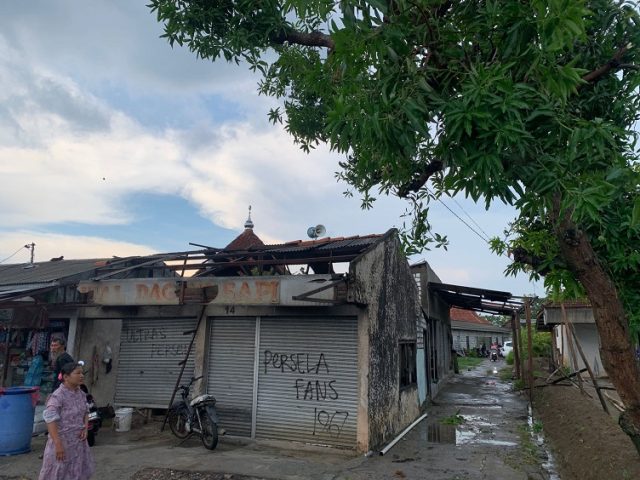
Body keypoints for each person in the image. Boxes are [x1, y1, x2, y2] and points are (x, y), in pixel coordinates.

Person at [38, 362, 95, 480]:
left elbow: (86, 412)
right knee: (58, 473)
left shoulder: (81, 394)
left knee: (77, 472)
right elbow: (50, 419)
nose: (82, 376)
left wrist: (85, 428)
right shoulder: (57, 396)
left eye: (82, 373)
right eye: (78, 373)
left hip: (78, 442)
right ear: (66, 377)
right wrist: (58, 444)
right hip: (62, 443)